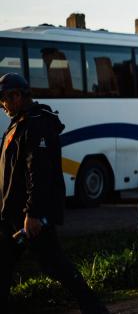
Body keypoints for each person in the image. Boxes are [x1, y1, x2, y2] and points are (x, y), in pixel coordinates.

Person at [0, 73, 108, 313]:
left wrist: (33, 213)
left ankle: (95, 308)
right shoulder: (19, 122)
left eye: (4, 100)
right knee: (4, 265)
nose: (2, 105)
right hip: (12, 215)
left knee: (55, 264)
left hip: (29, 216)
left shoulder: (36, 124)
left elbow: (37, 172)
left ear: (16, 96)